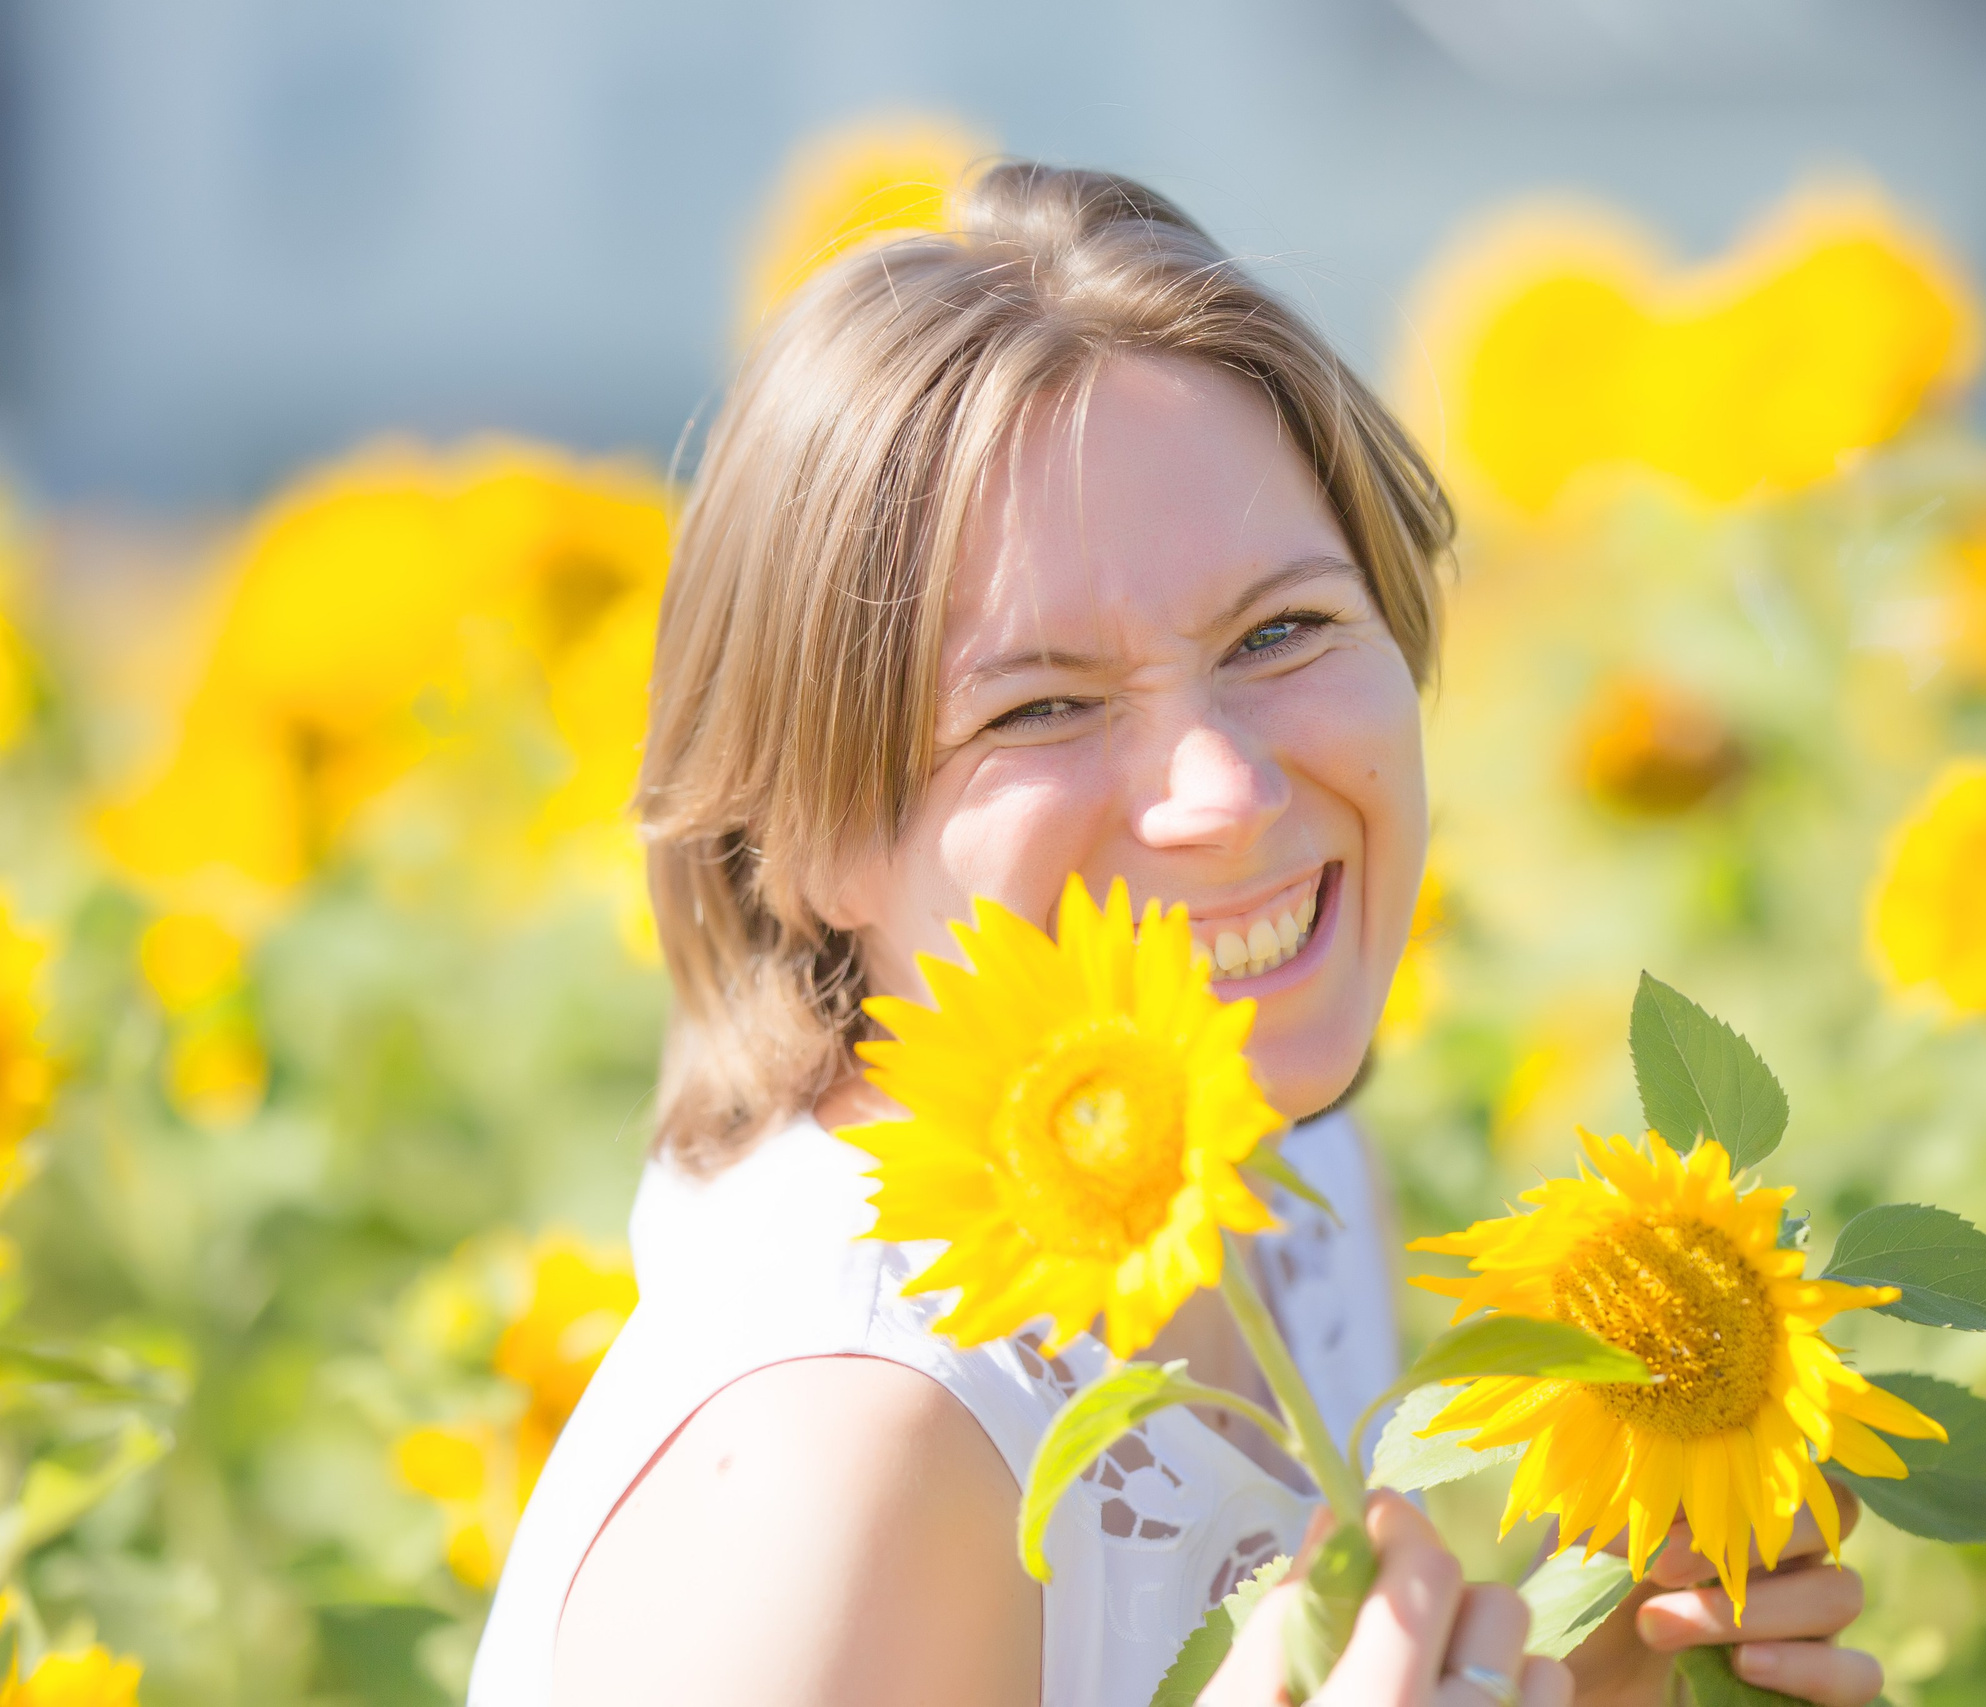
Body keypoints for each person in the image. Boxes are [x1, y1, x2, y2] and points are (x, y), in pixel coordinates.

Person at [468, 161, 1883, 1707]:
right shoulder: (842, 1456)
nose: (1224, 791)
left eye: (1282, 631)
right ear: (806, 835)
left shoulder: (1295, 1185)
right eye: (1044, 705)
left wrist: (1604, 1674)